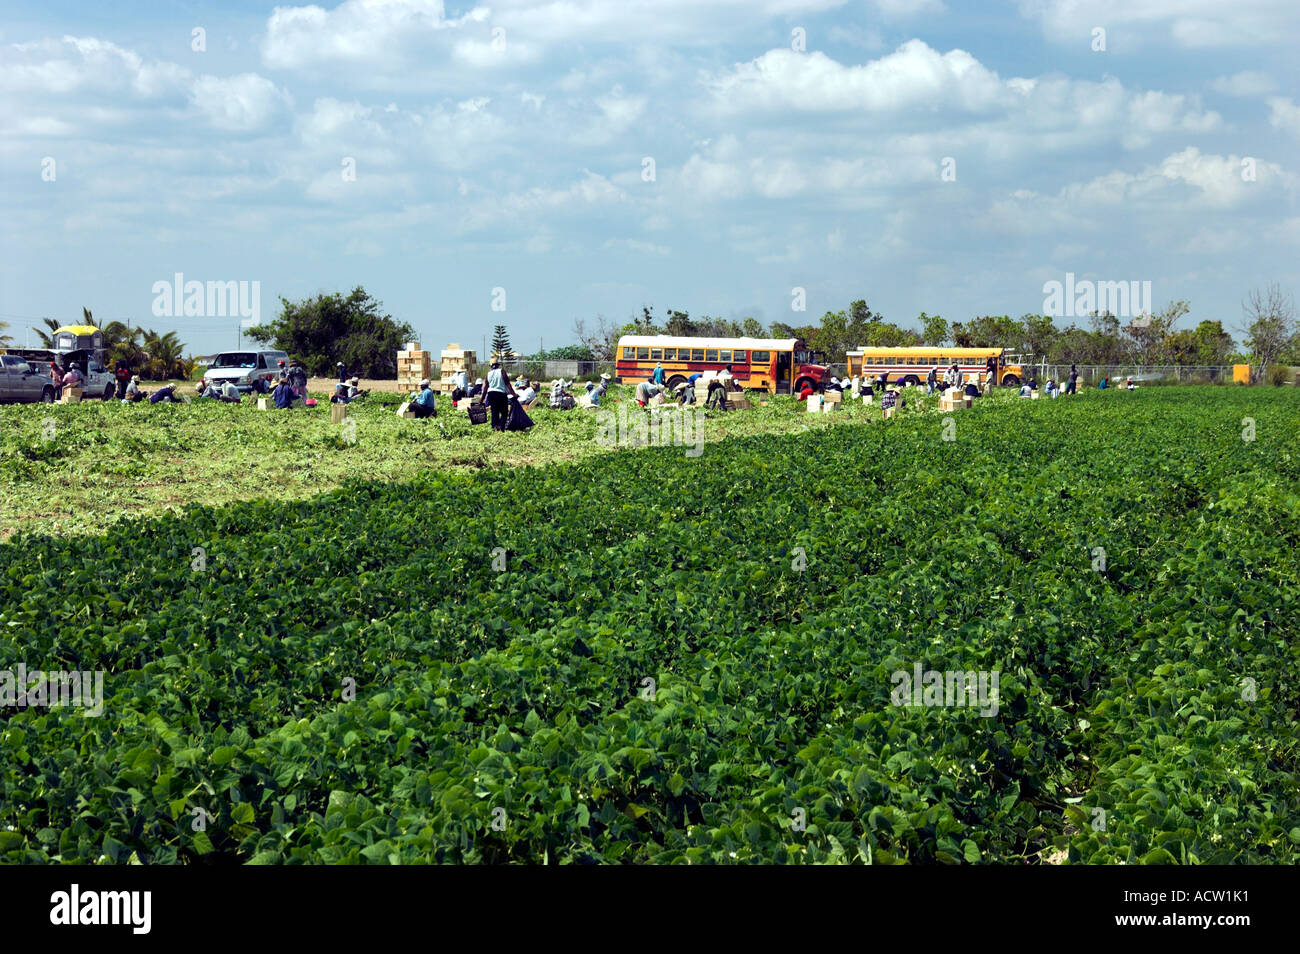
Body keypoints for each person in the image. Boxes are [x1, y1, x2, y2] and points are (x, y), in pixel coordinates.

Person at [485, 360, 514, 431]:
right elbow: (508, 384)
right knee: (504, 412)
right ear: (498, 365)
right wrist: (514, 394)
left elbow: (485, 387)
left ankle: (495, 426)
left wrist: (481, 399)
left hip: (491, 394)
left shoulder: (488, 374)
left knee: (494, 412)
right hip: (500, 394)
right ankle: (501, 426)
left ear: (491, 366)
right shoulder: (502, 372)